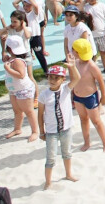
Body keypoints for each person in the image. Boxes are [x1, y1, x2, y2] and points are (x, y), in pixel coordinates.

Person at [38, 58, 81, 190]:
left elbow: (77, 78)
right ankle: (48, 181)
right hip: (51, 131)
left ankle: (68, 174)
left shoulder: (65, 89)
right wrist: (41, 131)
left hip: (66, 129)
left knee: (67, 153)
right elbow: (40, 114)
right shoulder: (44, 94)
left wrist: (72, 66)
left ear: (62, 79)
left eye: (56, 78)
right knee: (50, 158)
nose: (52, 80)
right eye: (50, 77)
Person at [71, 38, 105, 152]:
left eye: (74, 50)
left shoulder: (91, 66)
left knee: (96, 121)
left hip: (90, 97)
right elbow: (73, 79)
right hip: (78, 97)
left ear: (77, 52)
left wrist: (104, 96)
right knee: (83, 119)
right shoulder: (76, 63)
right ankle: (87, 142)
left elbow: (100, 80)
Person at [1, 35, 38, 142]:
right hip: (14, 90)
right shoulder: (13, 59)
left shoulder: (18, 61)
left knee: (29, 111)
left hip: (23, 89)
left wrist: (8, 69)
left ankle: (35, 131)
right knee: (17, 111)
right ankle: (17, 129)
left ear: (10, 48)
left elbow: (21, 75)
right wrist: (7, 60)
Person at [83, 0, 105, 74]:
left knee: (103, 51)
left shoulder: (102, 6)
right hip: (91, 35)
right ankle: (93, 68)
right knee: (92, 53)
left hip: (102, 33)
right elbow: (80, 12)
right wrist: (84, 2)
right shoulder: (86, 7)